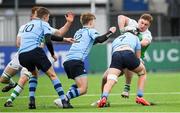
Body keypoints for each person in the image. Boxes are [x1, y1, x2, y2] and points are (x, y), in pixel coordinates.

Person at [3, 6, 75, 108]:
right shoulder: (43, 23)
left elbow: (50, 36)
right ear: (45, 16)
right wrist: (53, 54)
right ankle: (64, 101)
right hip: (35, 52)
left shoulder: (27, 25)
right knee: (52, 75)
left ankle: (31, 102)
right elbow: (48, 39)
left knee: (34, 74)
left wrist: (64, 39)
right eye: (48, 17)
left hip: (22, 55)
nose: (48, 19)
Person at [53, 12, 116, 108]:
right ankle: (63, 99)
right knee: (83, 89)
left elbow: (90, 42)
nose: (94, 24)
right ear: (90, 22)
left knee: (79, 86)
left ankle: (66, 99)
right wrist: (110, 32)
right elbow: (100, 39)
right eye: (94, 22)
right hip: (76, 62)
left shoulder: (79, 31)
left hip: (68, 61)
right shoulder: (90, 30)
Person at [91, 13, 153, 106]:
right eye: (142, 22)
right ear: (139, 20)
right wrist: (123, 31)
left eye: (146, 25)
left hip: (119, 55)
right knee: (104, 78)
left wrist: (127, 38)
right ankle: (138, 96)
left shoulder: (147, 34)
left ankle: (108, 95)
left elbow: (144, 43)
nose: (142, 26)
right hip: (130, 56)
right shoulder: (133, 26)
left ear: (149, 26)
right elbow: (120, 17)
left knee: (111, 78)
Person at [98, 30, 147, 108]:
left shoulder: (116, 39)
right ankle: (139, 97)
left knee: (111, 79)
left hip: (116, 55)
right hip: (128, 53)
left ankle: (104, 97)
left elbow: (113, 55)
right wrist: (139, 63)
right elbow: (138, 57)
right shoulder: (135, 37)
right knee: (142, 72)